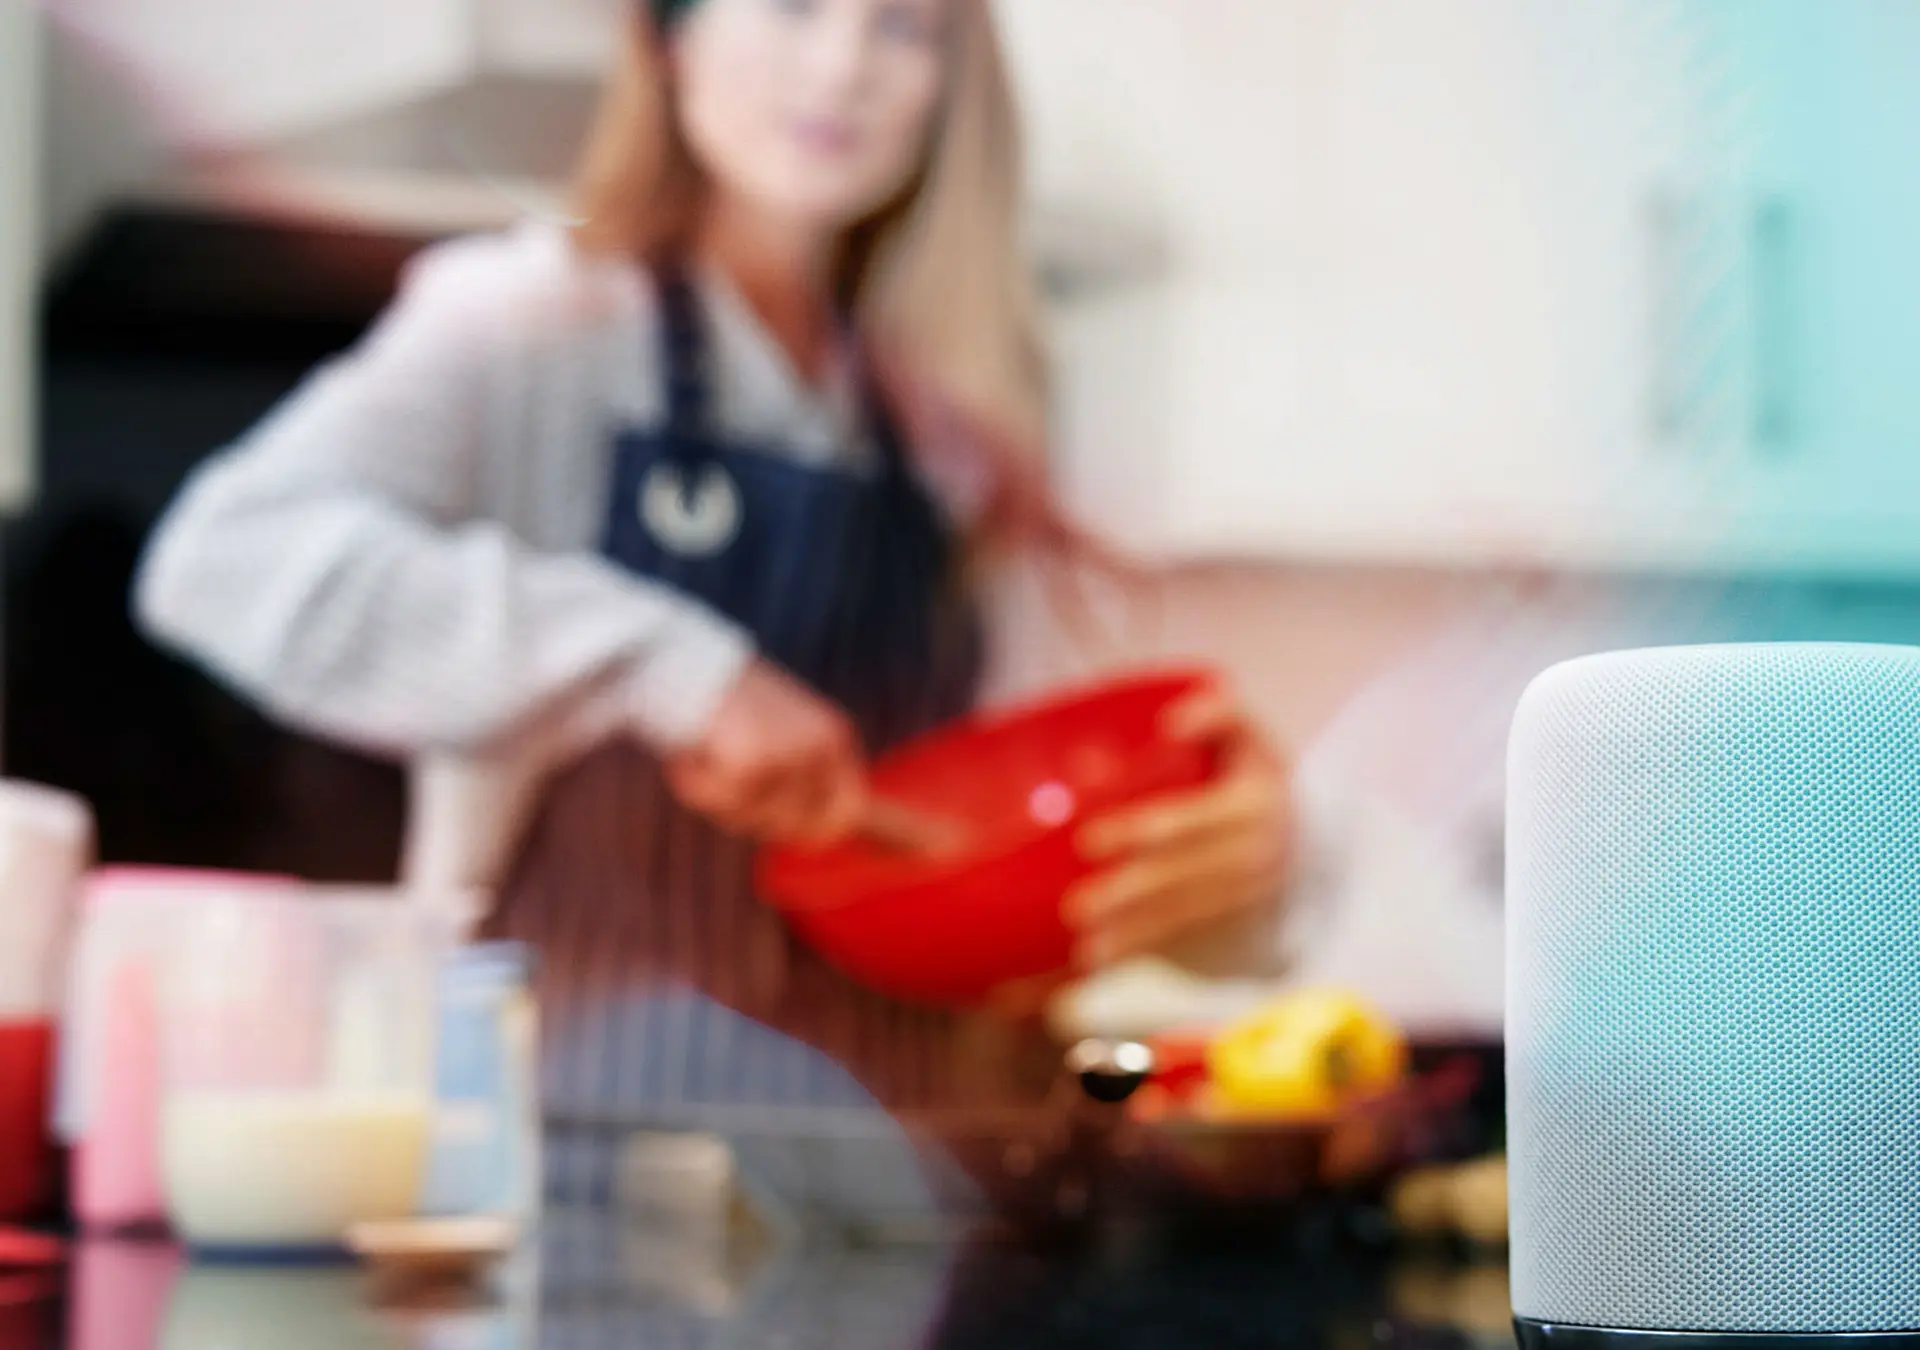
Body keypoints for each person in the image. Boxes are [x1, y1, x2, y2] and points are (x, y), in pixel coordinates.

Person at [135, 0, 1290, 1206]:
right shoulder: (530, 325)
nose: (842, 66)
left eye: (903, 28)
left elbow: (1028, 795)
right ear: (669, 42)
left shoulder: (952, 414)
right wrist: (663, 667)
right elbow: (224, 561)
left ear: (953, 88)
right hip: (581, 1164)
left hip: (899, 1174)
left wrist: (1225, 837)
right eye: (792, 6)